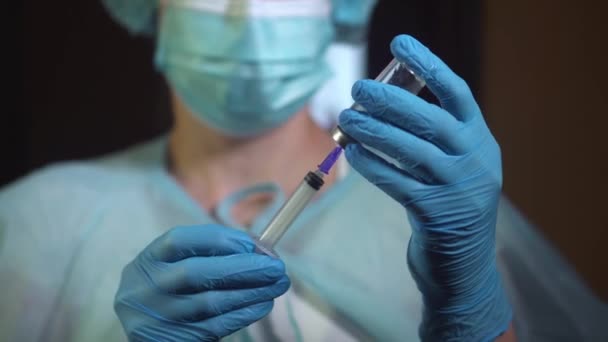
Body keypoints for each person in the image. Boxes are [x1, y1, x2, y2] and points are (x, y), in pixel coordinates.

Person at [1, 0, 606, 341]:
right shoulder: (34, 225)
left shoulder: (446, 218)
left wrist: (471, 315)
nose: (246, 10)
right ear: (149, 11)